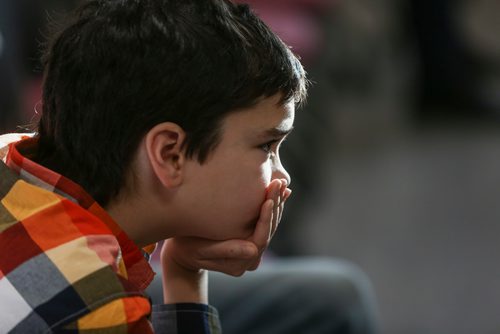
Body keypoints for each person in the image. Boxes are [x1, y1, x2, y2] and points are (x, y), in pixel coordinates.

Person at [0, 0, 306, 332]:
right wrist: (185, 280)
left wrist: (182, 264)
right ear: (170, 153)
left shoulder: (8, 151)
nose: (282, 175)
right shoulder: (98, 311)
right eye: (266, 146)